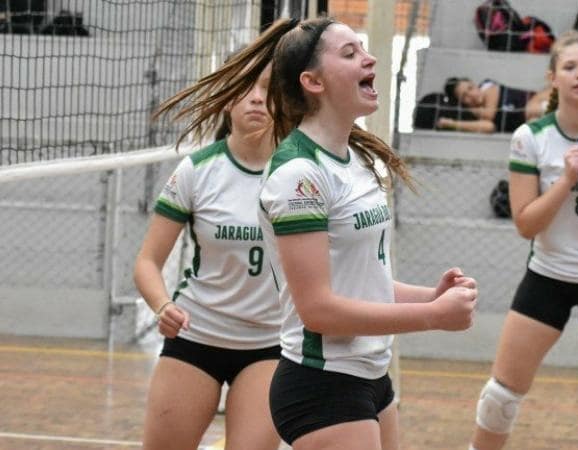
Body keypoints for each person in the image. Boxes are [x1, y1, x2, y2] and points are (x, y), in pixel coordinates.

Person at [252, 17, 478, 450]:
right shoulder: (299, 174)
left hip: (371, 374)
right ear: (313, 82)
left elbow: (362, 283)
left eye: (363, 48)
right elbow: (319, 310)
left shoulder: (356, 159)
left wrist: (430, 297)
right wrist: (434, 317)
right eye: (350, 53)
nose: (369, 58)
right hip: (322, 383)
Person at [468, 31, 578, 450]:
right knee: (499, 398)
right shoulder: (530, 137)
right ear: (553, 78)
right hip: (547, 276)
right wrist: (566, 179)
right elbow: (526, 224)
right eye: (570, 67)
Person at [133, 26, 288, 450]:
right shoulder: (197, 170)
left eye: (267, 88)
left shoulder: (300, 175)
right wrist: (162, 305)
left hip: (270, 344)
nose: (256, 98)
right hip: (196, 335)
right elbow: (147, 262)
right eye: (243, 87)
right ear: (226, 98)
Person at [437, 77, 553, 133]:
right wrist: (453, 124)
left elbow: (489, 114)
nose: (472, 95)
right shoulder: (477, 114)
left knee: (531, 110)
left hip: (541, 101)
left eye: (470, 88)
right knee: (532, 126)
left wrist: (469, 109)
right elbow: (489, 127)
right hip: (535, 122)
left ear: (474, 84)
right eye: (465, 96)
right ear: (462, 103)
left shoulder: (488, 86)